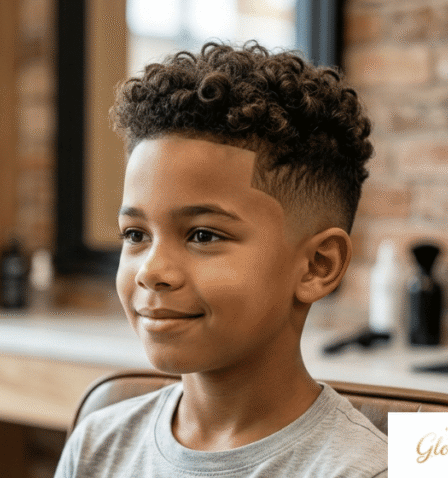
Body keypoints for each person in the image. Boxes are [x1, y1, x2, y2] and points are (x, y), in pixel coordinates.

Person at [55, 41, 386, 477]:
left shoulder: (361, 471)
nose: (152, 271)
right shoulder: (99, 446)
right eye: (135, 234)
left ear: (317, 266)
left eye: (203, 235)